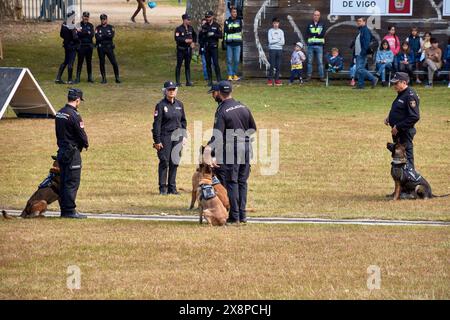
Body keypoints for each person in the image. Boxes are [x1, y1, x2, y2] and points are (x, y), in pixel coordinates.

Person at [204, 81, 257, 225]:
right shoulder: (243, 106)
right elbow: (253, 128)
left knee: (232, 182)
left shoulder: (222, 110)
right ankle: (243, 215)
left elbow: (217, 136)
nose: (213, 96)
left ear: (220, 93)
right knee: (242, 182)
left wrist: (209, 151)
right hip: (246, 147)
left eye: (214, 93)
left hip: (231, 149)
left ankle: (234, 217)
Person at [55, 88, 89, 219]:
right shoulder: (74, 115)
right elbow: (81, 134)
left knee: (63, 180)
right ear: (78, 100)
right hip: (72, 152)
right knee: (72, 181)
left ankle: (64, 210)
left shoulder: (59, 113)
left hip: (62, 151)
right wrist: (86, 144)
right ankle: (70, 211)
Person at [152, 81, 187, 195]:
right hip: (165, 136)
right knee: (164, 161)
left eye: (173, 89)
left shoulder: (179, 105)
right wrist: (157, 140)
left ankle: (172, 188)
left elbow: (183, 121)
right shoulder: (161, 105)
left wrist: (184, 136)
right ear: (165, 91)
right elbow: (156, 124)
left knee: (174, 162)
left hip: (177, 136)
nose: (171, 91)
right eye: (169, 90)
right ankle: (163, 188)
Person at [385, 72, 420, 170]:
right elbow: (400, 108)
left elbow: (414, 116)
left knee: (406, 157)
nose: (394, 86)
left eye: (396, 83)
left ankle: (410, 180)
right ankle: (402, 180)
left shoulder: (410, 96)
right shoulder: (402, 93)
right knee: (399, 158)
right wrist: (389, 117)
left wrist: (398, 126)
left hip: (404, 132)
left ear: (404, 82)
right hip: (398, 132)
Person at [55, 10, 79, 84]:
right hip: (72, 46)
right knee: (70, 63)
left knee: (65, 61)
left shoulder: (64, 24)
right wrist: (78, 34)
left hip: (66, 45)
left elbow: (61, 35)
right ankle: (70, 80)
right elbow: (75, 37)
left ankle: (58, 78)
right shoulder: (72, 26)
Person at [95, 14, 121, 84]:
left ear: (107, 19)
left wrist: (102, 36)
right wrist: (106, 35)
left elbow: (111, 36)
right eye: (102, 19)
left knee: (114, 62)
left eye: (104, 19)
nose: (103, 20)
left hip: (109, 47)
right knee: (102, 63)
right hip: (101, 48)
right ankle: (104, 79)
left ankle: (117, 77)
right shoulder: (98, 28)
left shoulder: (111, 27)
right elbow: (97, 37)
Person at [354, 17, 378, 89]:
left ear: (364, 22)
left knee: (359, 69)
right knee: (360, 69)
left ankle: (373, 78)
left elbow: (366, 43)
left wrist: (363, 52)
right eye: (358, 21)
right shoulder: (361, 30)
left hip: (362, 53)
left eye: (360, 21)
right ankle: (361, 85)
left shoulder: (365, 30)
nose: (358, 22)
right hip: (358, 53)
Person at [199, 11, 223, 86]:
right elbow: (201, 37)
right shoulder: (204, 26)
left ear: (212, 17)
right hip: (207, 47)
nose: (207, 18)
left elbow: (221, 36)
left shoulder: (216, 25)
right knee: (208, 64)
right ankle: (210, 81)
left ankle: (219, 79)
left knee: (215, 63)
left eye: (209, 17)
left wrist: (213, 34)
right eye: (206, 17)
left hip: (214, 47)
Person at [174, 13, 197, 87]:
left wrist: (193, 42)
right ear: (184, 20)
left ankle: (188, 81)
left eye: (189, 20)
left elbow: (194, 35)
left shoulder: (191, 28)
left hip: (188, 50)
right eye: (188, 20)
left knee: (187, 65)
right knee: (179, 65)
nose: (189, 21)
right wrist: (185, 40)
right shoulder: (179, 29)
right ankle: (178, 82)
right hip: (181, 50)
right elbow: (176, 38)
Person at [305, 10, 326, 82]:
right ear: (313, 16)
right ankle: (308, 77)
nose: (316, 16)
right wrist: (317, 33)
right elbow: (308, 34)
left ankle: (321, 77)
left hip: (319, 46)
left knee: (320, 62)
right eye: (315, 15)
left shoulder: (322, 24)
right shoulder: (309, 24)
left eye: (317, 15)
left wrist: (313, 33)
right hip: (310, 45)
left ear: (319, 16)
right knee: (309, 62)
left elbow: (322, 34)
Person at [224, 6, 243, 81]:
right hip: (229, 43)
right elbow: (226, 30)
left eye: (235, 12)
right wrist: (233, 29)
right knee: (229, 60)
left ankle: (234, 74)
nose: (234, 13)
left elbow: (239, 29)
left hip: (237, 43)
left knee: (236, 60)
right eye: (233, 12)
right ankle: (229, 75)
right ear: (231, 13)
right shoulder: (226, 21)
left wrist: (231, 29)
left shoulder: (239, 21)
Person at [75, 11, 95, 84]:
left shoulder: (91, 25)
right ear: (82, 17)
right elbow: (77, 35)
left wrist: (82, 32)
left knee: (89, 62)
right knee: (80, 62)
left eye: (87, 16)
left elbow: (91, 35)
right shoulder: (78, 24)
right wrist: (86, 32)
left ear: (88, 17)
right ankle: (77, 77)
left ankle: (89, 77)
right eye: (84, 16)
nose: (86, 18)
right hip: (81, 46)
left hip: (89, 46)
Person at [267, 17, 285, 86]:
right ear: (272, 23)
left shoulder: (281, 31)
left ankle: (277, 80)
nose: (276, 24)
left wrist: (274, 40)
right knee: (272, 65)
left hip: (279, 50)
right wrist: (278, 40)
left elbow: (283, 42)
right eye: (274, 23)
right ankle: (270, 80)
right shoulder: (270, 31)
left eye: (277, 23)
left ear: (279, 23)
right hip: (272, 50)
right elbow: (270, 41)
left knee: (278, 65)